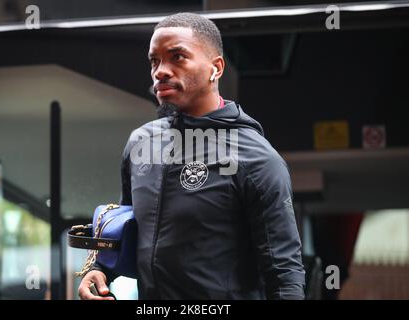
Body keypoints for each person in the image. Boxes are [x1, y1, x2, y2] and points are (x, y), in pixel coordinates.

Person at [79, 12, 305, 300]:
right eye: (155, 61)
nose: (161, 70)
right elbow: (129, 227)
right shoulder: (141, 142)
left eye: (177, 57)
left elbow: (285, 274)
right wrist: (100, 269)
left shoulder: (256, 158)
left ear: (216, 68)